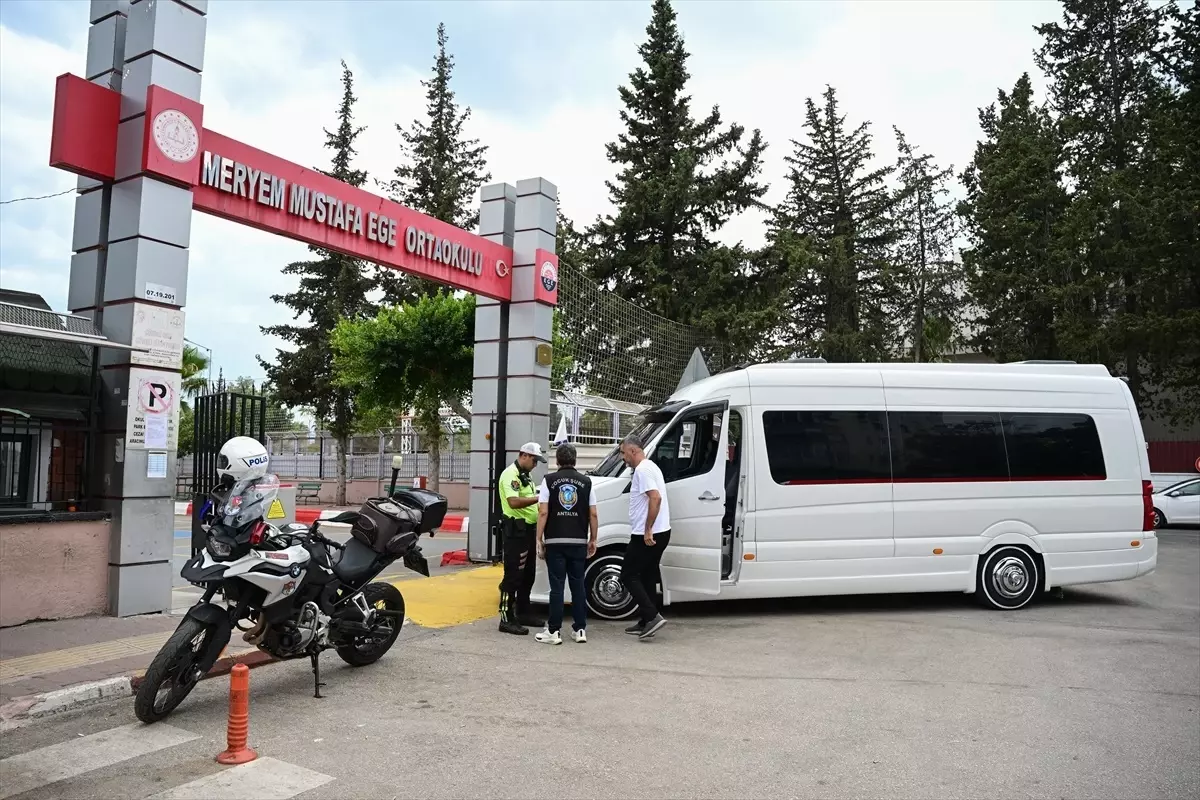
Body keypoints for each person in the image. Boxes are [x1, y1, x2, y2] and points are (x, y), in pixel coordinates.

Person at [534, 443, 598, 645]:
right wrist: (593, 538)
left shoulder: (548, 481)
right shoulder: (586, 482)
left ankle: (553, 631)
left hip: (555, 542)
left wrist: (539, 538)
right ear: (575, 460)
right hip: (578, 542)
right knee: (578, 586)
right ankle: (580, 629)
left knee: (557, 587)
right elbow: (593, 513)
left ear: (557, 461)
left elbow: (543, 512)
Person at [619, 433, 671, 640]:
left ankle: (652, 616)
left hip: (647, 534)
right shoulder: (651, 466)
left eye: (623, 453)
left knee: (628, 574)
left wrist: (648, 528)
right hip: (659, 531)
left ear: (633, 451)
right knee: (647, 574)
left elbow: (655, 498)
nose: (623, 458)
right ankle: (645, 620)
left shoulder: (642, 470)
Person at [496, 442, 547, 635]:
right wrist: (539, 498)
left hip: (527, 531)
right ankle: (506, 618)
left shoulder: (526, 476)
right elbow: (513, 501)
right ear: (524, 455)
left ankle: (523, 612)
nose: (535, 464)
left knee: (528, 575)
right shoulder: (511, 475)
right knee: (513, 577)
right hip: (515, 533)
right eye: (534, 460)